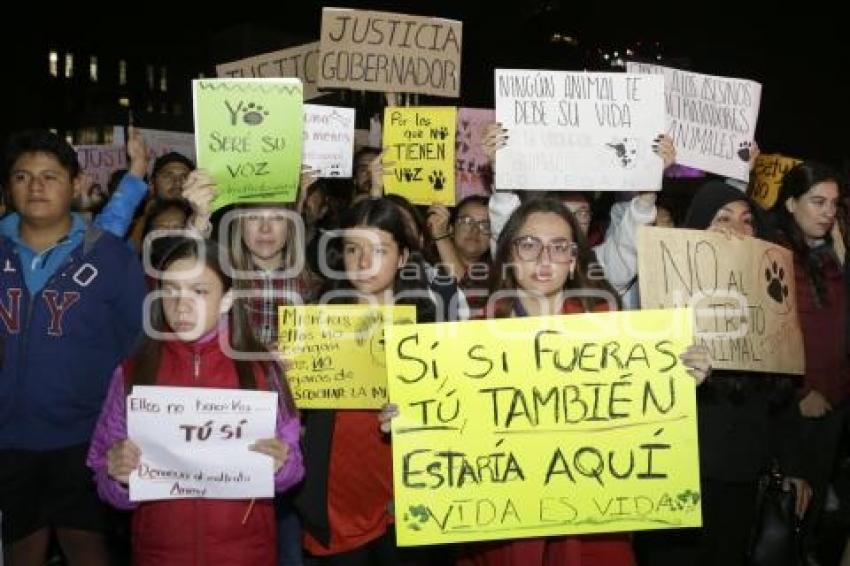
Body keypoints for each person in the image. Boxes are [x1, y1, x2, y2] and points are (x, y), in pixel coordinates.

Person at [452, 197, 710, 565]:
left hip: (592, 529)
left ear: (574, 261)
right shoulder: (474, 337)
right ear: (509, 255)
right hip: (505, 529)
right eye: (529, 245)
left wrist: (680, 376)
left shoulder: (610, 330)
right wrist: (413, 418)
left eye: (559, 247)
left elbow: (641, 422)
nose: (544, 259)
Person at [86, 237, 304, 566]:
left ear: (228, 299)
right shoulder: (133, 372)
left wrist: (281, 464)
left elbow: (294, 468)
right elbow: (102, 472)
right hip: (159, 554)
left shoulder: (262, 370)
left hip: (245, 555)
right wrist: (118, 476)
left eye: (199, 292)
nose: (182, 305)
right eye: (171, 291)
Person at [635, 180, 810, 566]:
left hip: (742, 472)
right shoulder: (666, 292)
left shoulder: (769, 297)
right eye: (723, 219)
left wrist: (795, 465)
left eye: (747, 220)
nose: (737, 230)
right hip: (679, 470)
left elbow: (783, 390)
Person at [0, 129, 146, 565]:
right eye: (23, 176)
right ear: (8, 187)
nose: (36, 186)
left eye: (50, 176)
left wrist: (126, 426)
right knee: (21, 550)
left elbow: (137, 345)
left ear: (77, 184)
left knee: (87, 549)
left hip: (85, 436)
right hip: (8, 439)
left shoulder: (111, 257)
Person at [298, 197, 438, 565]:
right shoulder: (318, 321)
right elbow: (295, 414)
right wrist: (284, 377)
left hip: (407, 499)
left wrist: (417, 417)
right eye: (352, 249)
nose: (363, 263)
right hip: (339, 501)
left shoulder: (427, 328)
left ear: (403, 257)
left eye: (378, 250)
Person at [768, 162, 847, 563]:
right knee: (785, 514)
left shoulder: (833, 257)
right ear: (791, 202)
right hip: (794, 407)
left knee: (811, 511)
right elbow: (768, 333)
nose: (828, 211)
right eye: (817, 201)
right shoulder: (774, 255)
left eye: (834, 204)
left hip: (834, 404)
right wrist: (799, 393)